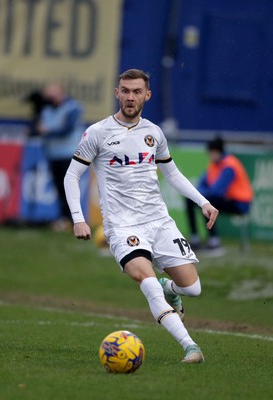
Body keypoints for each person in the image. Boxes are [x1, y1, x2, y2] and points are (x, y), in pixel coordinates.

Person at [64, 69, 218, 363]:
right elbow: (72, 176)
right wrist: (78, 217)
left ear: (147, 95)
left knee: (192, 288)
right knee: (146, 281)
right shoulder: (97, 133)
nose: (130, 97)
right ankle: (190, 346)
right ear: (116, 93)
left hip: (159, 222)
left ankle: (169, 288)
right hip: (123, 226)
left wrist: (203, 202)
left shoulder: (153, 133)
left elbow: (171, 173)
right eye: (125, 90)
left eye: (136, 91)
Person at [186, 137, 253, 253]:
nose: (209, 156)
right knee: (190, 200)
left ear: (217, 152)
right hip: (225, 200)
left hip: (239, 203)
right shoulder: (214, 164)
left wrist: (201, 196)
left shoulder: (229, 165)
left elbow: (217, 191)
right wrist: (197, 195)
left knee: (206, 202)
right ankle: (195, 238)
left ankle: (214, 241)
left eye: (211, 153)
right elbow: (202, 183)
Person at [37, 83, 83, 231]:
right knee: (59, 188)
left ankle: (73, 219)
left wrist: (48, 131)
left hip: (69, 154)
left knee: (68, 188)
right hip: (53, 154)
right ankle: (64, 218)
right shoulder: (47, 110)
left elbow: (66, 129)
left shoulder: (72, 107)